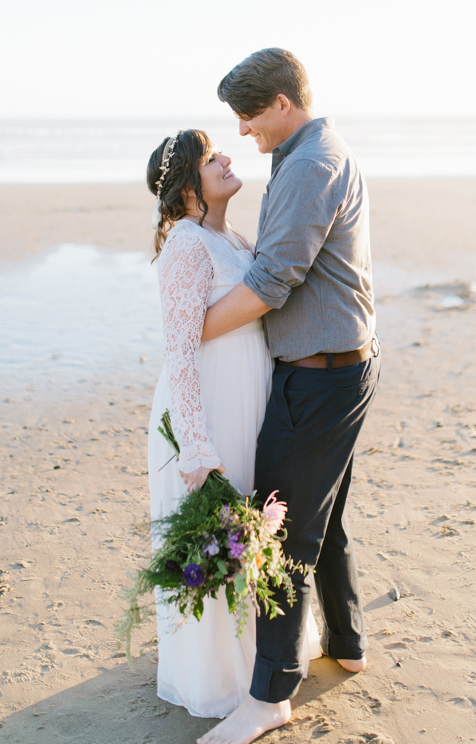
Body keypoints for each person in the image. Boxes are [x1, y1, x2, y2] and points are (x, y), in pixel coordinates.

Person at [197, 48, 380, 744]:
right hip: (340, 365)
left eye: (247, 116)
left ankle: (271, 694)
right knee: (323, 516)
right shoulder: (309, 151)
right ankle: (349, 641)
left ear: (281, 103)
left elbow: (275, 278)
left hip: (321, 374)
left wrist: (194, 333)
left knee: (283, 530)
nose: (242, 130)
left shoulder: (308, 163)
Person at [146, 129, 320, 719]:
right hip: (211, 407)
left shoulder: (233, 236)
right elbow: (180, 350)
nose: (226, 158)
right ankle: (223, 675)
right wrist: (195, 444)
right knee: (222, 529)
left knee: (255, 521)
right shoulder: (186, 246)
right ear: (188, 190)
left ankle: (264, 655)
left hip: (250, 397)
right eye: (210, 157)